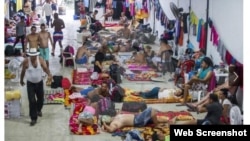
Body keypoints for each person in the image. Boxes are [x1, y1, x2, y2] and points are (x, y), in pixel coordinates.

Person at [20, 48, 52, 126]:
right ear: (29, 55)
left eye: (34, 55)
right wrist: (21, 80)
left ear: (36, 55)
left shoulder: (40, 59)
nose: (33, 57)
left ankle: (38, 110)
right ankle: (33, 118)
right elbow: (23, 71)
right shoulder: (26, 61)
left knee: (41, 99)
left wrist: (49, 74)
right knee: (32, 101)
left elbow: (45, 68)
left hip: (39, 83)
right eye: (32, 56)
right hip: (30, 84)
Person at [102, 107, 172, 133]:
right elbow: (111, 130)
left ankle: (169, 121)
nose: (108, 118)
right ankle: (156, 125)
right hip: (137, 121)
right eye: (106, 119)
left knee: (154, 118)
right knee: (151, 110)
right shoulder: (113, 123)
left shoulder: (115, 117)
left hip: (137, 117)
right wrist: (104, 124)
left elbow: (119, 111)